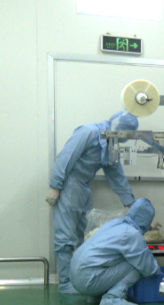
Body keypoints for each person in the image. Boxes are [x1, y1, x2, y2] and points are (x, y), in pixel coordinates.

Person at [46, 111, 138, 294]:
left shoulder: (110, 145)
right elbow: (66, 157)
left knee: (87, 234)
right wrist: (55, 186)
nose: (121, 140)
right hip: (69, 184)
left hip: (84, 187)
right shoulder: (88, 132)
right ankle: (65, 282)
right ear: (117, 129)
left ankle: (81, 278)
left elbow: (116, 175)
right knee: (65, 236)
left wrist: (131, 204)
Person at [69, 198, 160, 305]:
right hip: (87, 280)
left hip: (74, 276)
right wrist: (161, 276)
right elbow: (148, 268)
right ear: (146, 221)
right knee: (137, 265)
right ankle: (112, 298)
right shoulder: (132, 234)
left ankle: (96, 295)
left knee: (116, 258)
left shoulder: (117, 223)